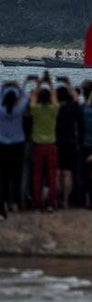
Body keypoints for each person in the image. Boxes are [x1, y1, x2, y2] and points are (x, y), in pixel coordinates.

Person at [0, 78, 31, 214]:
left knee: (3, 176)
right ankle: (16, 202)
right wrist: (19, 86)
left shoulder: (0, 110)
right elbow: (25, 97)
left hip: (2, 145)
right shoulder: (19, 109)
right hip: (18, 145)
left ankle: (4, 201)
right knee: (17, 175)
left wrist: (4, 87)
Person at [29, 78, 61, 210]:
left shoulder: (34, 109)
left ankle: (37, 203)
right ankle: (51, 204)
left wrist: (38, 84)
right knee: (52, 176)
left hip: (38, 145)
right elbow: (54, 98)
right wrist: (51, 84)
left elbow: (33, 98)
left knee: (37, 175)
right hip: (51, 145)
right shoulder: (53, 109)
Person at [54, 80, 84, 208]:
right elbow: (75, 101)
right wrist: (69, 85)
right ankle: (66, 200)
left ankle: (57, 198)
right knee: (68, 173)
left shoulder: (55, 108)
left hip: (56, 142)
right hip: (70, 142)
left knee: (58, 173)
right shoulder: (73, 108)